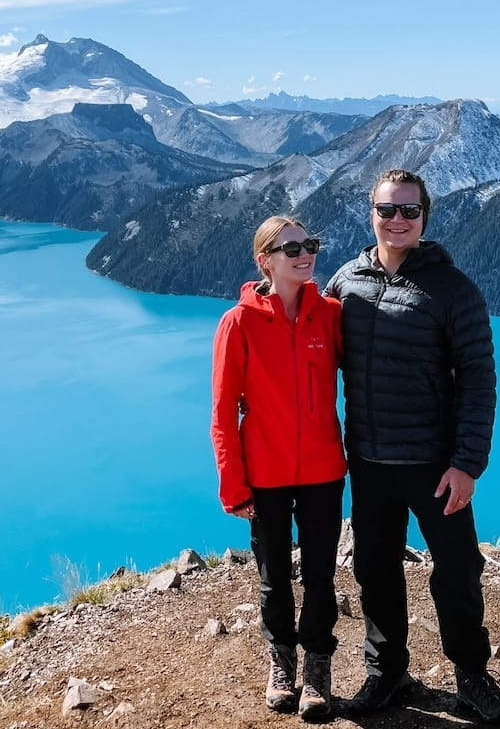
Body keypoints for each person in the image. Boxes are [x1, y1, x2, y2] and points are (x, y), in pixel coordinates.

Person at [325, 169, 500, 723]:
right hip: (367, 460)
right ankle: (386, 674)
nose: (398, 220)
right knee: (374, 569)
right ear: (372, 214)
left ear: (424, 217)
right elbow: (305, 327)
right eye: (388, 210)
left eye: (409, 211)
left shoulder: (453, 289)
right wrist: (269, 292)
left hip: (435, 465)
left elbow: (480, 378)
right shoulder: (348, 282)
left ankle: (472, 678)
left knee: (457, 569)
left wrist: (466, 463)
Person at [211, 216, 346, 721]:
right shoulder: (238, 323)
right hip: (263, 473)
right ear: (264, 260)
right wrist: (233, 484)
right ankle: (281, 662)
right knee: (274, 579)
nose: (304, 255)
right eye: (290, 248)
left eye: (309, 244)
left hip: (323, 469)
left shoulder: (329, 314)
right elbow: (223, 413)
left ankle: (316, 667)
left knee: (320, 575)